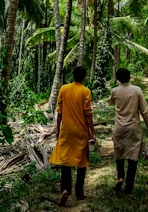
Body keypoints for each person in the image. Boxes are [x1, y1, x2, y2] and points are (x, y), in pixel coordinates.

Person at [48, 65, 96, 206]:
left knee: (65, 161)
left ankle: (65, 190)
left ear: (73, 75)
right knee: (82, 162)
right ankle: (79, 193)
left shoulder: (64, 89)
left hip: (66, 131)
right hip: (81, 131)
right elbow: (88, 114)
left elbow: (60, 112)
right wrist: (92, 131)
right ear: (84, 77)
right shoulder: (85, 91)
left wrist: (57, 129)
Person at [108, 67, 148, 196]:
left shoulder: (115, 91)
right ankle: (129, 188)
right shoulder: (137, 90)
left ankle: (120, 177)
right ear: (130, 77)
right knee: (133, 157)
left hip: (119, 128)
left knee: (119, 154)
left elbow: (111, 102)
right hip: (133, 127)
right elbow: (144, 111)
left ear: (117, 78)